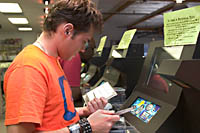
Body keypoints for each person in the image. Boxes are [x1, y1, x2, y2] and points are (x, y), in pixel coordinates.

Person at [3, 0, 120, 133]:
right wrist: (87, 127)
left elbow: (53, 112)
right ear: (68, 30)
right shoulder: (29, 67)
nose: (83, 49)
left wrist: (84, 111)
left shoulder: (52, 60)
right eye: (84, 42)